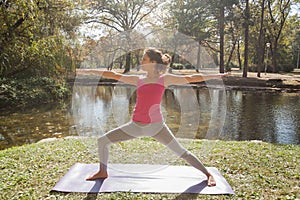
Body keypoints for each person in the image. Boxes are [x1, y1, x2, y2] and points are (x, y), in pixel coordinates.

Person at [76, 47, 227, 187]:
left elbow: (193, 77)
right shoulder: (139, 80)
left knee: (182, 152)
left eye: (144, 59)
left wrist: (216, 76)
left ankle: (208, 173)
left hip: (157, 127)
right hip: (135, 126)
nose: (141, 62)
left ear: (153, 63)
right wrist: (88, 71)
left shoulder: (165, 79)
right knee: (103, 141)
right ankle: (103, 171)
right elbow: (114, 75)